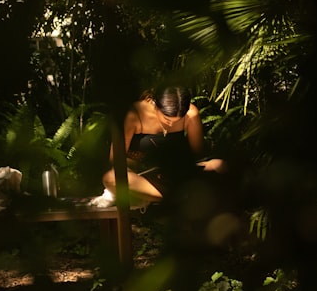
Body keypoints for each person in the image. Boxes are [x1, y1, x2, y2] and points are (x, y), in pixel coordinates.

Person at [90, 86, 225, 207]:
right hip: (143, 175)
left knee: (219, 165)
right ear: (156, 106)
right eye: (167, 119)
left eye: (178, 121)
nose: (171, 125)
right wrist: (140, 162)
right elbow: (116, 159)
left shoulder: (191, 114)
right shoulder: (133, 115)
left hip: (177, 174)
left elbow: (197, 153)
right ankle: (174, 196)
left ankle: (151, 197)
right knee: (111, 178)